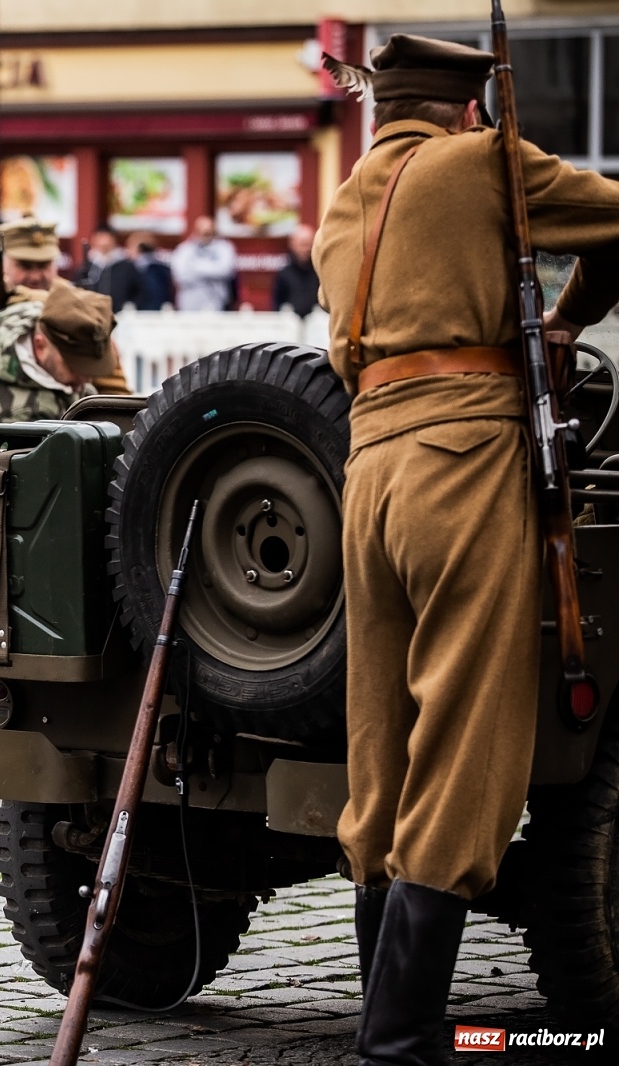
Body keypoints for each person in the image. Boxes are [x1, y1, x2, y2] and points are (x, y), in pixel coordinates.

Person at [313, 33, 619, 1066]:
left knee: (383, 734)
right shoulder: (484, 161)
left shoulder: (344, 200)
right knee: (468, 729)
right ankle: (401, 1035)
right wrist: (568, 319)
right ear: (467, 109)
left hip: (367, 467)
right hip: (463, 453)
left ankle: (383, 1015)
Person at [0, 285, 128, 432]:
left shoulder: (33, 314)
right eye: (73, 367)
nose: (86, 379)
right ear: (40, 345)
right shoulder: (22, 418)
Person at [169, 215, 236, 311]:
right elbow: (180, 275)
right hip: (190, 297)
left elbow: (225, 270)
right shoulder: (184, 249)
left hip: (215, 298)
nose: (206, 235)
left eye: (209, 232)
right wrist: (212, 268)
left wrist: (194, 267)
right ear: (196, 231)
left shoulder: (224, 247)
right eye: (202, 232)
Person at [75, 226, 140, 311]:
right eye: (99, 238)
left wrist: (131, 305)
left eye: (106, 239)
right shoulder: (87, 266)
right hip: (92, 312)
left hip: (120, 312)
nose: (103, 243)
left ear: (114, 240)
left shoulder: (126, 266)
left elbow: (138, 289)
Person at [271, 223, 319, 318]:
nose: (306, 249)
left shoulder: (319, 273)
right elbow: (276, 304)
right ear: (292, 244)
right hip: (289, 323)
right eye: (302, 244)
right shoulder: (284, 274)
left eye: (308, 244)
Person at [127, 230, 174, 311]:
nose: (128, 251)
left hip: (151, 312)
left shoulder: (157, 271)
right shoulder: (128, 269)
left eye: (130, 247)